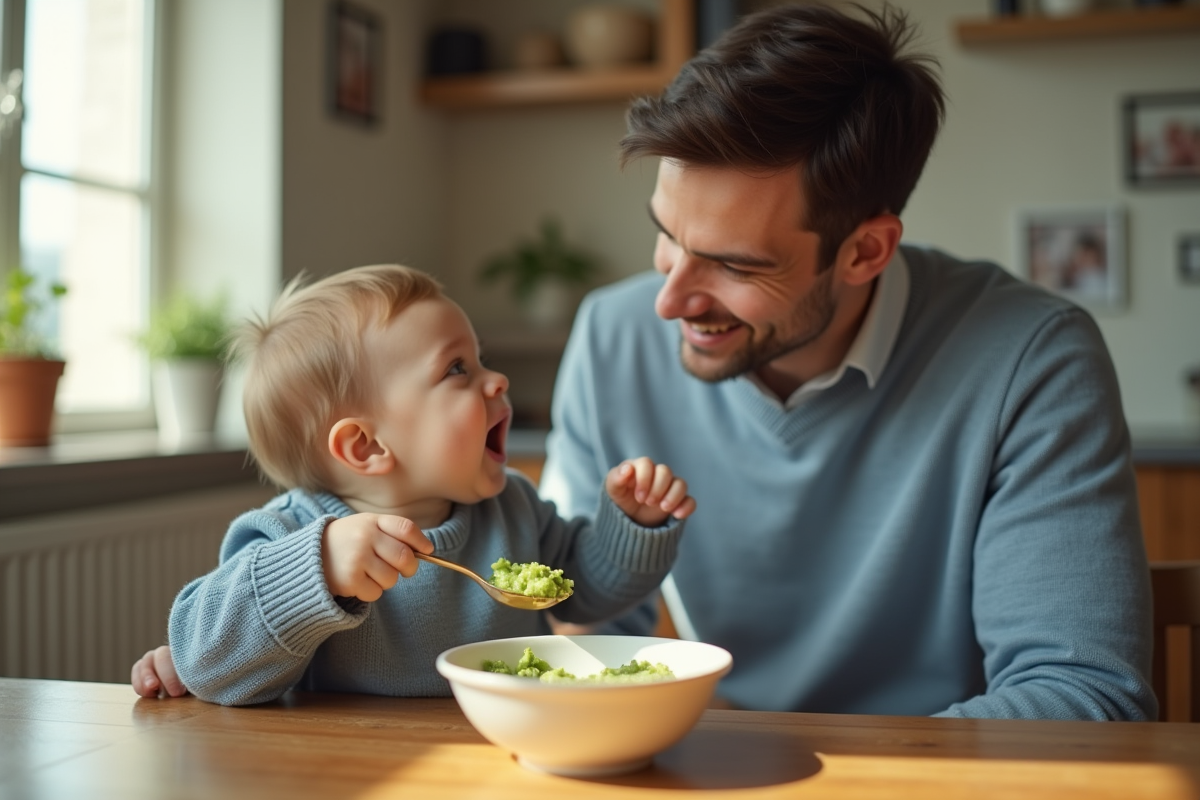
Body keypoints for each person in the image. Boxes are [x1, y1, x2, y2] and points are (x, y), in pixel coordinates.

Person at [539, 4, 1155, 720]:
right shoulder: (611, 337)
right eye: (667, 234)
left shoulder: (1032, 359)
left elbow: (1084, 699)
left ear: (865, 251)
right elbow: (590, 641)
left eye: (734, 265)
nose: (669, 301)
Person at [131, 264, 694, 705]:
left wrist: (633, 527)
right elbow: (206, 660)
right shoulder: (290, 536)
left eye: (481, 360)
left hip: (504, 754)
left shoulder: (513, 506)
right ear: (367, 447)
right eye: (457, 369)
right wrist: (318, 569)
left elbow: (590, 588)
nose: (496, 379)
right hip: (347, 770)